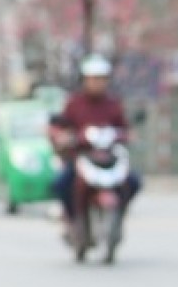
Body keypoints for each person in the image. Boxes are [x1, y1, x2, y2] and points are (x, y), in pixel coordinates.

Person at [50, 54, 142, 230]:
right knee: (60, 184)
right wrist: (65, 137)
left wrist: (128, 135)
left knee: (134, 182)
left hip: (108, 157)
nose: (97, 83)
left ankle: (120, 214)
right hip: (81, 156)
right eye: (93, 79)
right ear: (85, 80)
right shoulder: (74, 104)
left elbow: (123, 127)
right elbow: (63, 125)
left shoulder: (113, 104)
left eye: (101, 79)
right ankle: (73, 220)